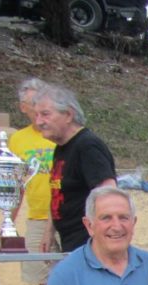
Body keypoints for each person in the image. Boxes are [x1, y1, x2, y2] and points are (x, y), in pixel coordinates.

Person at [34, 84, 116, 254]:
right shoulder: (62, 147)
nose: (38, 122)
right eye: (36, 115)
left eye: (45, 114)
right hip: (69, 240)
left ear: (68, 115)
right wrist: (49, 231)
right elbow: (58, 193)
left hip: (87, 243)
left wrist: (100, 239)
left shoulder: (87, 146)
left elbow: (108, 194)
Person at [8, 77, 57, 285]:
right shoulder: (17, 140)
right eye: (31, 103)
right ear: (22, 108)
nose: (37, 109)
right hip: (37, 216)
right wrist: (8, 221)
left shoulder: (58, 134)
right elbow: (14, 183)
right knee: (42, 279)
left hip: (66, 215)